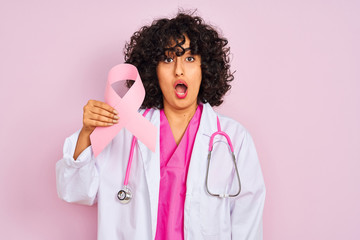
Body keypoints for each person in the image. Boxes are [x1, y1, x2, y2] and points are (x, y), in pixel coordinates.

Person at [56, 12, 266, 240]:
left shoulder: (234, 139)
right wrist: (87, 133)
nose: (178, 70)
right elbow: (75, 191)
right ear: (153, 70)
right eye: (167, 59)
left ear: (204, 68)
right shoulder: (124, 129)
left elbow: (248, 224)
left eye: (189, 58)